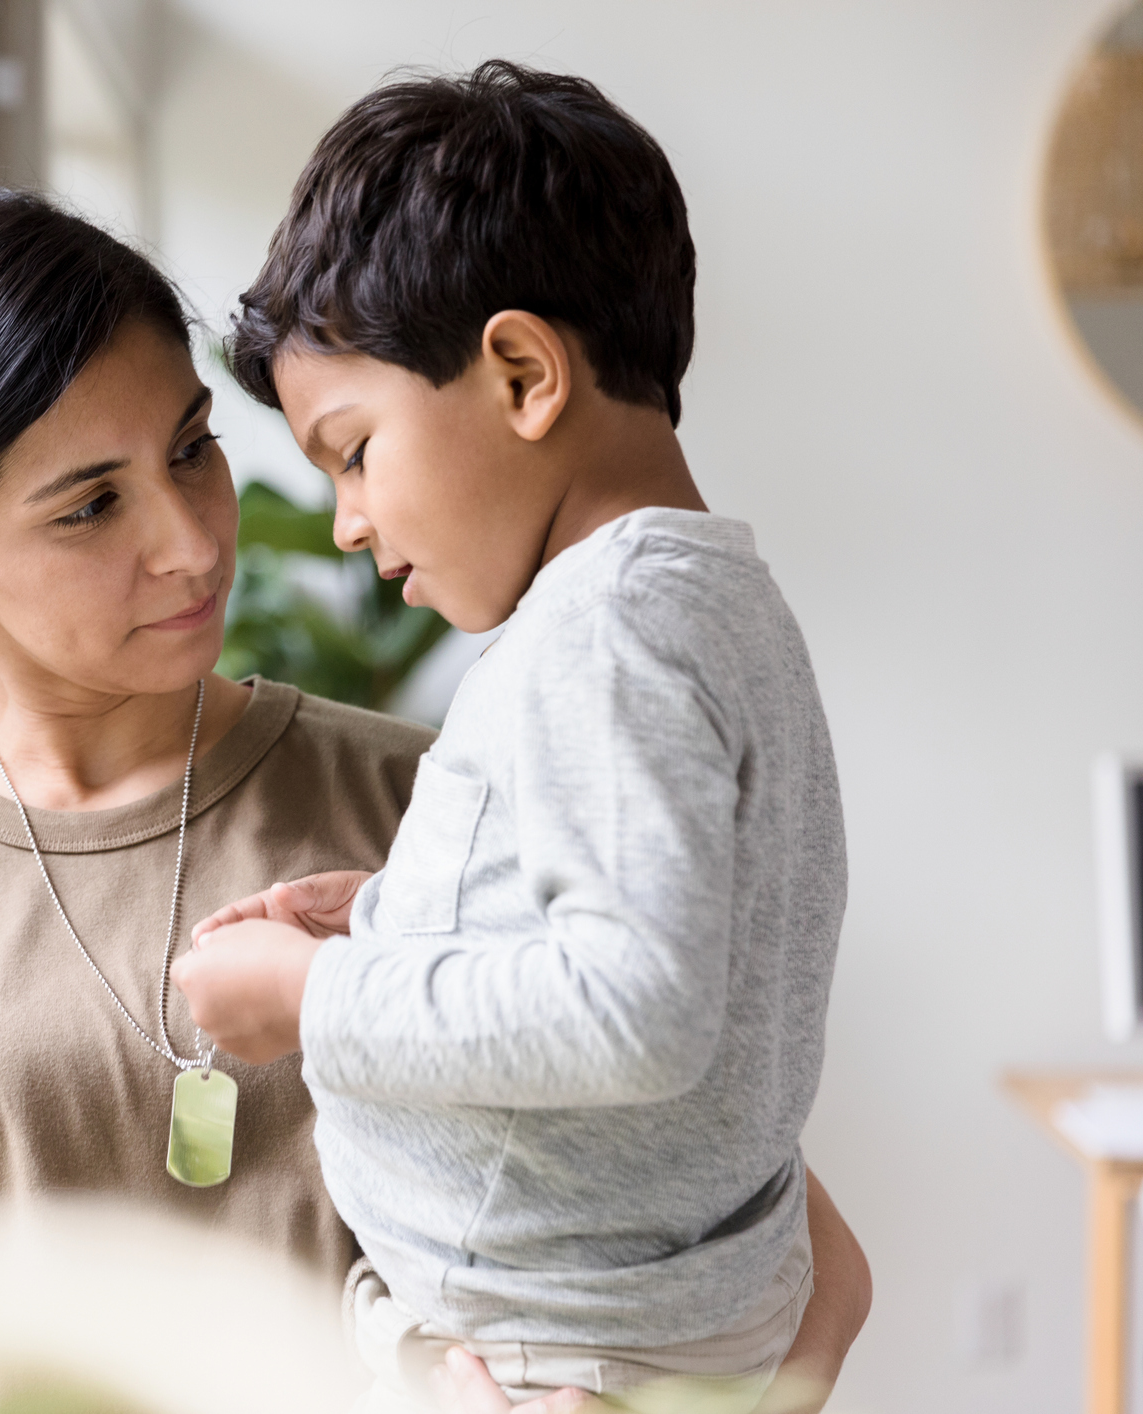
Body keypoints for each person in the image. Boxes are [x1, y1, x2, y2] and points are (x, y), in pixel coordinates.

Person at [0, 187, 869, 1414]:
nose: (192, 542)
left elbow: (800, 1253)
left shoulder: (431, 800)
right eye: (92, 505)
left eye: (192, 450)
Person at [172, 63, 849, 1413]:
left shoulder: (602, 633)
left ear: (523, 374)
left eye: (353, 449)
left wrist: (311, 1000)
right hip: (610, 1330)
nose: (349, 519)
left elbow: (630, 1008)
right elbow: (662, 916)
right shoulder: (700, 600)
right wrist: (398, 912)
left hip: (549, 1362)